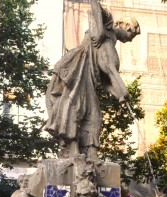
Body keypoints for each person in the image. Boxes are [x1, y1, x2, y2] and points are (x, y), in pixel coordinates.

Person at [44, 0, 140, 159]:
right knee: (75, 108)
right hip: (77, 71)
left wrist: (120, 96)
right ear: (125, 26)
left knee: (95, 116)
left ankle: (92, 153)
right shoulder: (106, 29)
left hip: (89, 80)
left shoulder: (111, 41)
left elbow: (106, 81)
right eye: (132, 35)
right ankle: (73, 149)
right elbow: (95, 4)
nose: (130, 40)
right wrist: (101, 30)